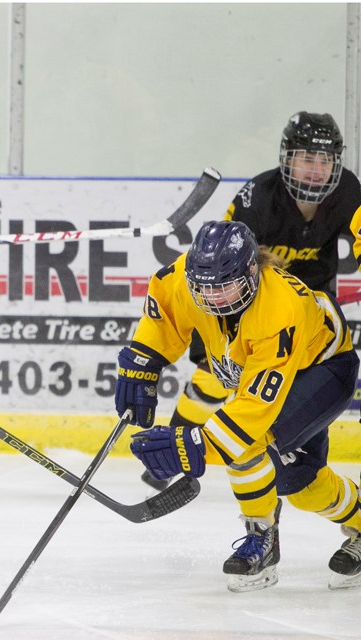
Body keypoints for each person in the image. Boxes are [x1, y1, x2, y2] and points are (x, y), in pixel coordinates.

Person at [118, 220, 361, 592]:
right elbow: (164, 307)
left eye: (225, 287)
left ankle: (260, 538)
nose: (213, 298)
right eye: (205, 288)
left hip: (323, 370)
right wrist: (143, 361)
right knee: (303, 486)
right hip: (272, 375)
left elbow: (251, 412)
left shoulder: (279, 309)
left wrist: (190, 447)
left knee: (247, 440)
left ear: (252, 273)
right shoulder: (189, 277)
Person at [142, 111, 361, 492]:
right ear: (287, 157)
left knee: (275, 414)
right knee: (212, 376)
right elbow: (222, 268)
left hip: (308, 313)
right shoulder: (256, 198)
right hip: (250, 304)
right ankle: (179, 443)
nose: (315, 169)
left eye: (324, 160)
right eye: (306, 158)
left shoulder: (349, 192)